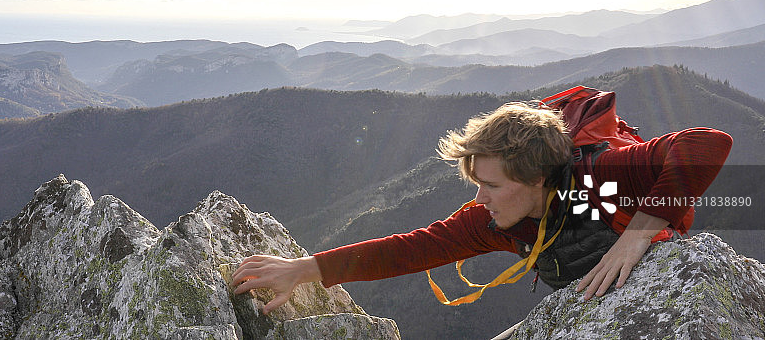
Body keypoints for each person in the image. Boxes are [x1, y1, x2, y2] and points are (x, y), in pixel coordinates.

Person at [231, 101, 733, 316]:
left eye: (490, 185)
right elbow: (415, 249)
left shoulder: (603, 177)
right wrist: (307, 268)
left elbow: (708, 143)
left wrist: (639, 231)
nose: (479, 200)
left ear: (538, 178)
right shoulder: (497, 222)